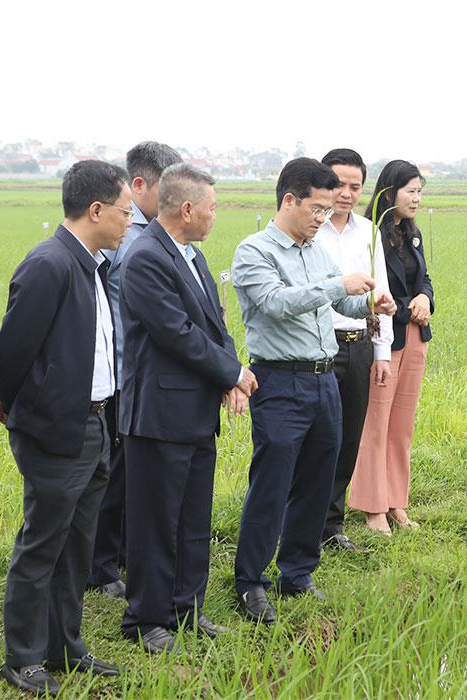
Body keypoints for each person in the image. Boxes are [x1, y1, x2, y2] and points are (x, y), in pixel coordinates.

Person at [0, 160, 130, 694]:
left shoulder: (92, 263)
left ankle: (67, 646)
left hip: (95, 424)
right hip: (56, 431)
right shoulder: (50, 264)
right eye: (123, 211)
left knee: (77, 546)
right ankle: (23, 656)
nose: (129, 221)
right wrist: (22, 408)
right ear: (95, 210)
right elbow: (11, 351)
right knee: (42, 542)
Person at [232, 158, 394, 624]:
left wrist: (366, 300)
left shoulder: (315, 249)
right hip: (281, 381)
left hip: (324, 381)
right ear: (289, 200)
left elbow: (337, 300)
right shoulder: (255, 251)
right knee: (273, 481)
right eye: (317, 209)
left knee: (317, 480)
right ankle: (250, 582)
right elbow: (275, 304)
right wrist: (333, 286)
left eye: (328, 210)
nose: (324, 218)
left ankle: (297, 573)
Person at [118, 164, 257, 654]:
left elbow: (214, 326)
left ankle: (185, 608)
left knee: (192, 519)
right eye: (213, 208)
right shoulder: (145, 258)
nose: (216, 216)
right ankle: (146, 618)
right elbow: (176, 333)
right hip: (158, 416)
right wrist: (231, 374)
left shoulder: (192, 256)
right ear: (188, 209)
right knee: (157, 522)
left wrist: (231, 374)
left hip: (195, 413)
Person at [89, 141, 183, 599]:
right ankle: (102, 570)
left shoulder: (154, 233)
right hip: (117, 374)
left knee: (129, 474)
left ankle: (121, 557)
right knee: (112, 473)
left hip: (140, 374)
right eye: (166, 188)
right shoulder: (121, 234)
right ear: (140, 184)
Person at [349, 160, 434, 536]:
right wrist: (404, 308)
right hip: (387, 337)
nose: (416, 198)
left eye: (420, 191)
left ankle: (397, 501)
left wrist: (425, 299)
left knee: (402, 427)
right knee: (376, 424)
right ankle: (372, 507)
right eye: (411, 191)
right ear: (389, 192)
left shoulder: (411, 234)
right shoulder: (371, 235)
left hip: (416, 337)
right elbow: (374, 290)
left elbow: (425, 279)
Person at [317, 148, 393, 555]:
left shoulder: (368, 231)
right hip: (320, 346)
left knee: (348, 441)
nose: (345, 194)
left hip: (360, 344)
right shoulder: (310, 229)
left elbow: (380, 292)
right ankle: (299, 525)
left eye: (354, 186)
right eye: (338, 184)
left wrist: (382, 352)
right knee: (317, 441)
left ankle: (331, 527)